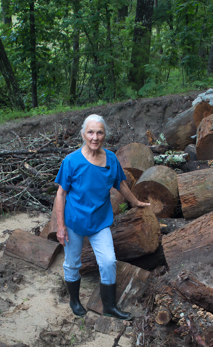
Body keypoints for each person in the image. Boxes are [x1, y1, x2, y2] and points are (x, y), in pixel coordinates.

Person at [54, 114, 150, 320]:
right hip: (74, 221)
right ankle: (74, 300)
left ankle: (109, 306)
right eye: (90, 132)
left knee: (107, 262)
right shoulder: (71, 161)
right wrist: (60, 226)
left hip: (99, 222)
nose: (95, 137)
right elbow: (61, 194)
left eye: (99, 132)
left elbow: (120, 184)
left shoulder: (111, 159)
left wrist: (136, 202)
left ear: (104, 135)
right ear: (83, 134)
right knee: (72, 263)